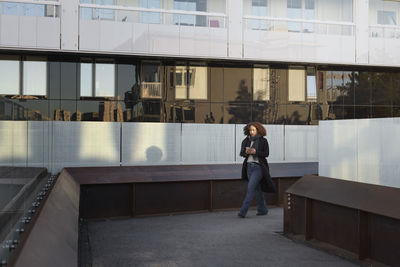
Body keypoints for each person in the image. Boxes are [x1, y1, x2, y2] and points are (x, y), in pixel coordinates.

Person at [238, 122, 270, 218]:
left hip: (258, 167)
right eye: (250, 130)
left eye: (253, 130)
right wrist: (246, 152)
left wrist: (256, 152)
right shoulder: (246, 140)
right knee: (257, 189)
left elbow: (266, 153)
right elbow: (241, 153)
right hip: (248, 167)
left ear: (258, 130)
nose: (251, 132)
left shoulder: (263, 141)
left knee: (250, 188)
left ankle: (243, 212)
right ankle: (263, 209)